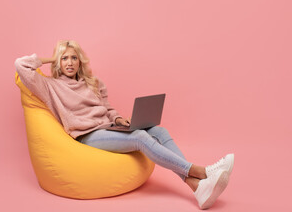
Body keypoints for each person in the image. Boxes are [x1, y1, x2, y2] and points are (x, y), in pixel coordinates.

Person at [14, 40, 234, 209]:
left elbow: (107, 109)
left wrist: (118, 120)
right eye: (64, 58)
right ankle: (202, 172)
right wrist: (51, 58)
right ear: (58, 63)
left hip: (108, 128)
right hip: (88, 135)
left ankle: (197, 188)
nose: (69, 62)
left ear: (80, 60)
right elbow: (21, 66)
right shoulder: (50, 86)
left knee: (159, 130)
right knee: (140, 138)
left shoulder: (92, 83)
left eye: (73, 57)